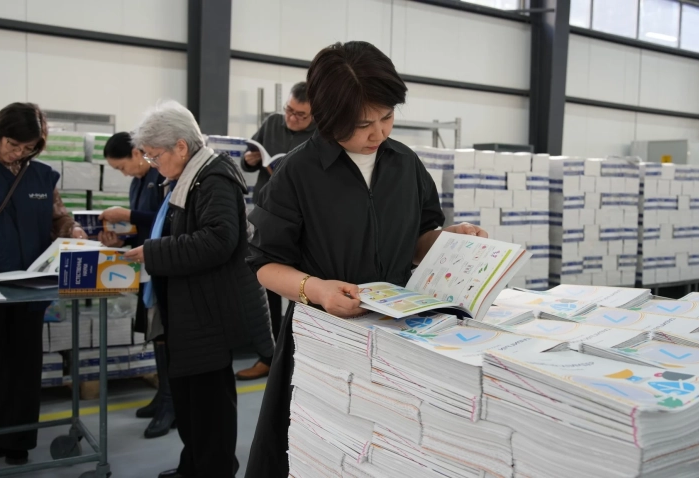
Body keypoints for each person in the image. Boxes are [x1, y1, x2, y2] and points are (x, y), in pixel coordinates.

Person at [244, 41, 486, 478]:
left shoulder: (405, 164)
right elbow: (264, 264)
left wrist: (448, 239)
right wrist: (317, 290)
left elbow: (416, 240)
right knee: (321, 452)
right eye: (362, 125)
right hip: (325, 335)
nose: (378, 134)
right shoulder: (297, 174)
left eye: (387, 117)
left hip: (398, 331)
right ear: (329, 118)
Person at [122, 100, 275, 478]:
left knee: (209, 407)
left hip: (207, 313)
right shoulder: (189, 177)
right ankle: (192, 466)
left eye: (155, 156)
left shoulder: (213, 179)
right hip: (188, 308)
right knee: (190, 401)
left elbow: (219, 240)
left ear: (180, 146)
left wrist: (153, 252)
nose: (153, 164)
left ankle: (213, 470)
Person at [0, 103, 88, 466]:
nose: (18, 153)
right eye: (13, 144)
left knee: (23, 366)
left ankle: (17, 441)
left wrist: (73, 230)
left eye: (28, 148)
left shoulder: (41, 177)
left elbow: (59, 218)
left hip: (30, 290)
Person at [236, 82, 315, 382]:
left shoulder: (322, 135)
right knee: (265, 285)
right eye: (289, 111)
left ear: (315, 115)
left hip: (301, 220)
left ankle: (300, 356)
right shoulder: (272, 123)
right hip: (266, 215)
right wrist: (250, 160)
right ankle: (267, 356)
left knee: (302, 289)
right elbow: (248, 158)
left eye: (301, 115)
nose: (292, 118)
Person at [98, 132, 174, 439]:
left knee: (165, 334)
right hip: (146, 270)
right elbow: (143, 230)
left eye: (122, 167)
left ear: (135, 152)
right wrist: (121, 239)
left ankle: (171, 402)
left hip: (166, 268)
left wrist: (128, 214)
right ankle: (163, 395)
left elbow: (166, 220)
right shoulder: (137, 184)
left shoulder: (162, 176)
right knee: (154, 334)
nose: (124, 173)